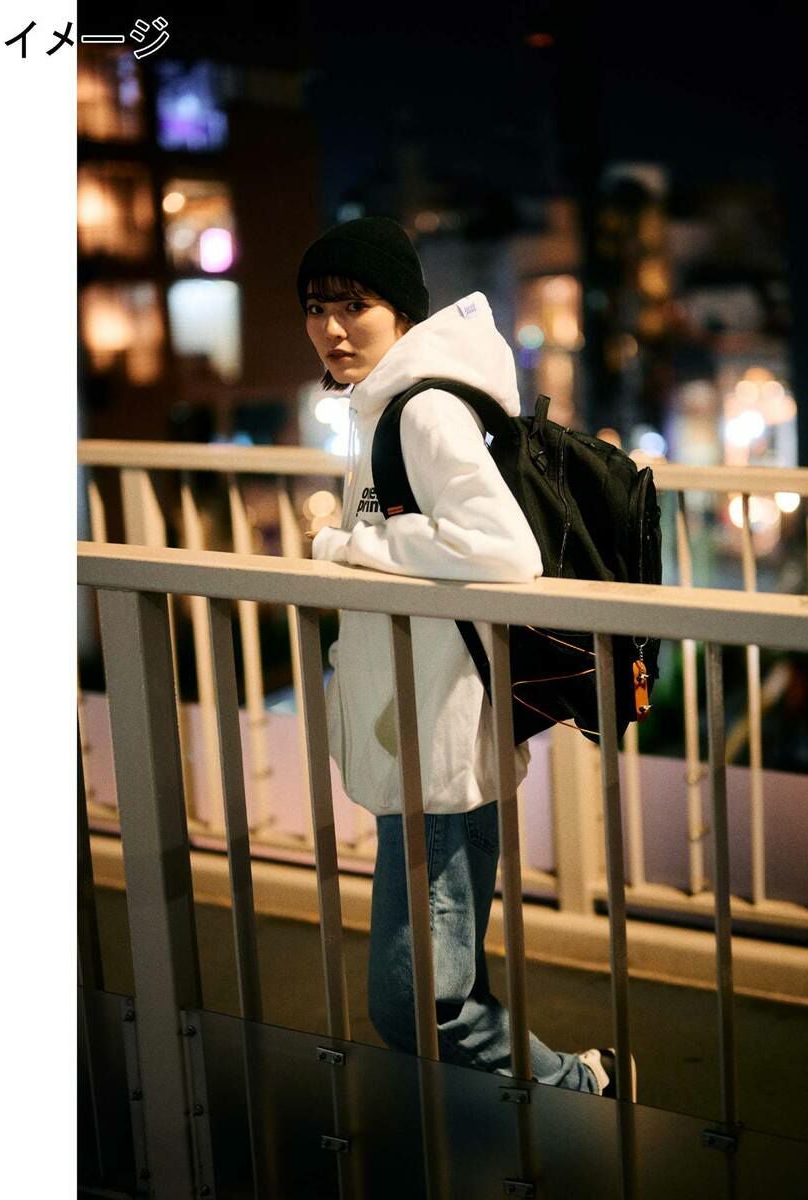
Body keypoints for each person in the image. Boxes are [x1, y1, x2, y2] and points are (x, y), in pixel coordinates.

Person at [300, 216, 621, 1097]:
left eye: (354, 307)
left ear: (400, 312)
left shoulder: (423, 409)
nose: (332, 328)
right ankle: (509, 1122)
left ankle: (582, 1089)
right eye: (317, 308)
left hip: (437, 739)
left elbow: (501, 550)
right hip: (419, 728)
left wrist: (348, 547)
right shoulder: (382, 406)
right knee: (439, 989)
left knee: (419, 1006)